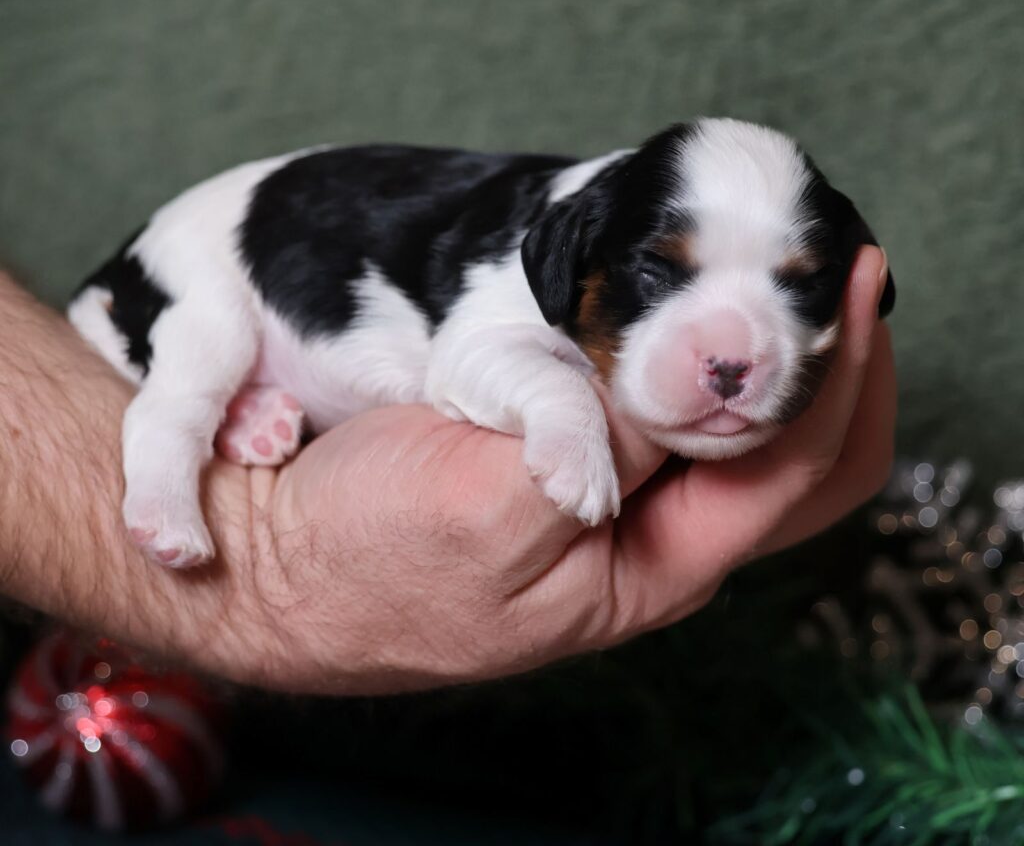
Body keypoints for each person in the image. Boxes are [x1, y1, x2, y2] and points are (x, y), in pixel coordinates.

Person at [0, 247, 894, 695]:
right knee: (201, 364)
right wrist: (259, 567)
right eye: (662, 274)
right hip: (213, 272)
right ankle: (165, 466)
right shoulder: (535, 267)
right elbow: (475, 357)